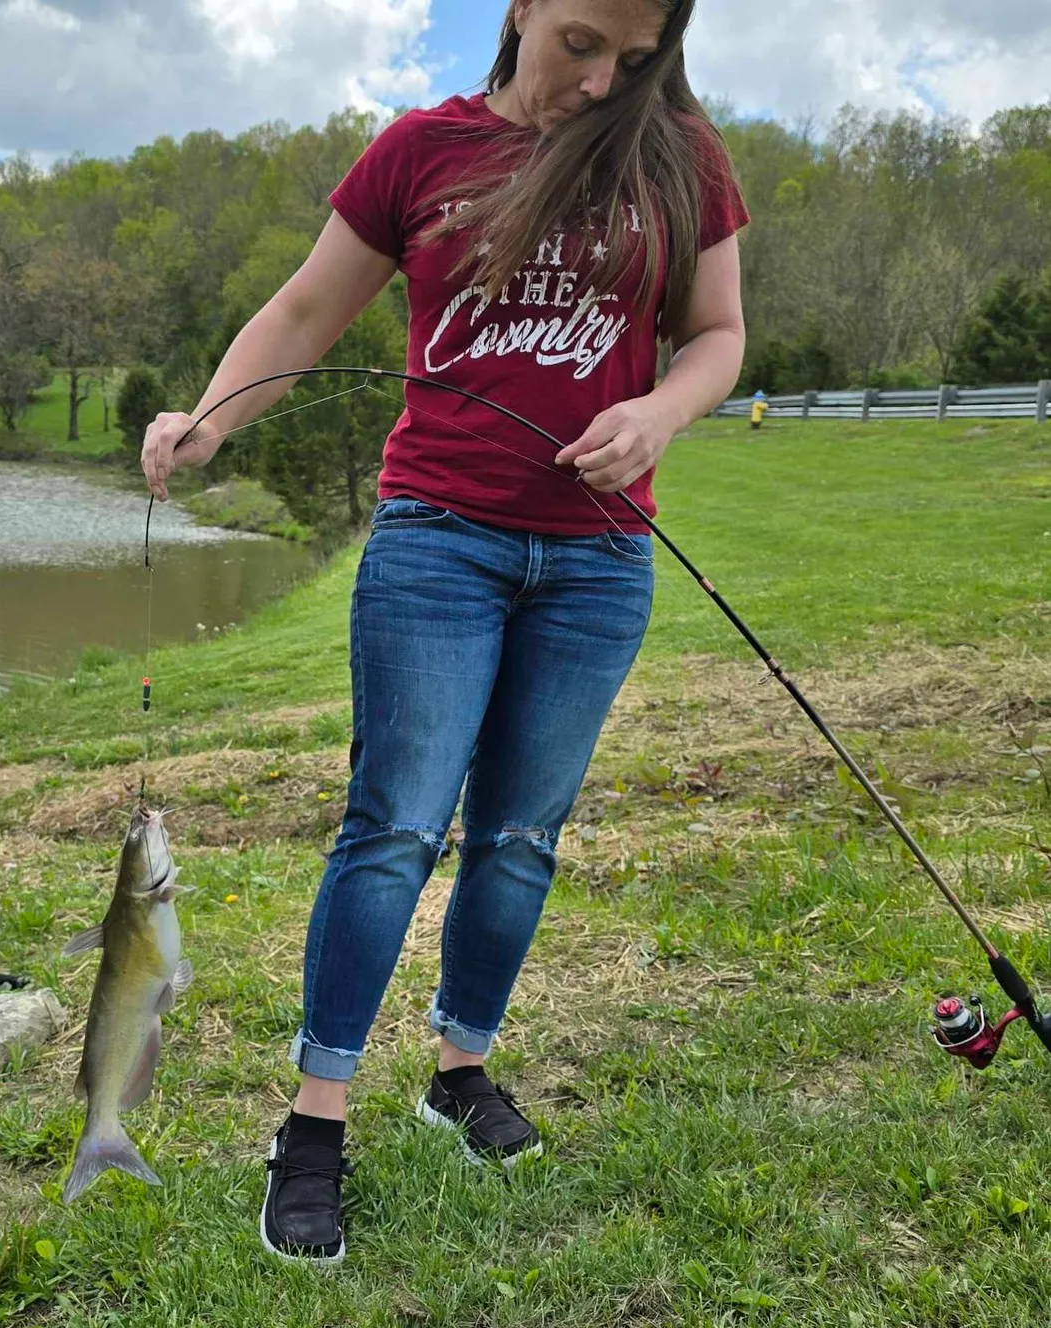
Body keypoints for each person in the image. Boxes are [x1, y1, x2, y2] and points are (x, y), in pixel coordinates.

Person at [142, 0, 749, 1263]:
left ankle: (458, 1072)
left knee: (521, 837)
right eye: (581, 41)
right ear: (521, 6)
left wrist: (660, 413)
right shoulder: (423, 150)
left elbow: (717, 336)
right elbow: (307, 311)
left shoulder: (679, 156)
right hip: (438, 540)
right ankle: (314, 1122)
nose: (601, 80)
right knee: (396, 827)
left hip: (601, 558)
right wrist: (212, 420)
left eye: (634, 59)